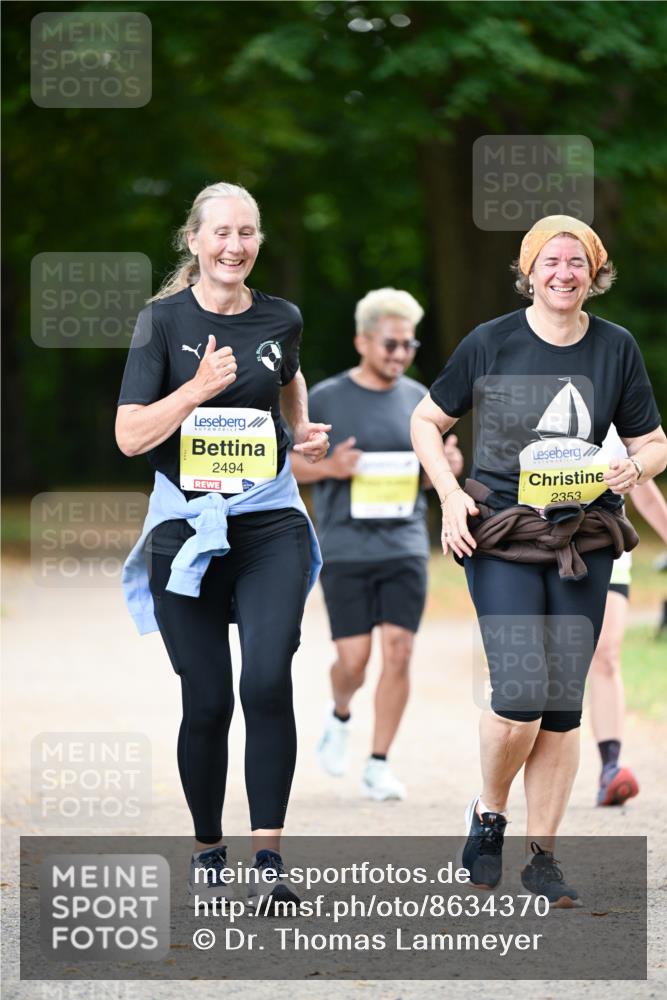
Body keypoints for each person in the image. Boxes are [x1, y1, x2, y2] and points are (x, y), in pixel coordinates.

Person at [410, 215, 666, 907]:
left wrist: (631, 467)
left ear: (593, 272)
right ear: (528, 272)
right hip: (501, 531)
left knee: (559, 705)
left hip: (582, 536)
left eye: (576, 262)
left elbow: (653, 443)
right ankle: (489, 812)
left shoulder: (615, 347)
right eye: (550, 261)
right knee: (520, 692)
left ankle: (542, 855)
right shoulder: (489, 341)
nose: (563, 273)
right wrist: (447, 495)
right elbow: (426, 421)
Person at [116, 182, 329, 908]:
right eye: (220, 233)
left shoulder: (282, 317)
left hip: (270, 522)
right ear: (194, 241)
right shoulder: (160, 322)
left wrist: (299, 430)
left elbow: (289, 378)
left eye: (246, 233)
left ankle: (268, 855)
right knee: (206, 700)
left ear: (258, 241)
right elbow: (130, 435)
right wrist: (196, 390)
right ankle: (209, 846)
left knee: (267, 680)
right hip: (184, 529)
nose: (234, 246)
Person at [290, 288, 463, 800]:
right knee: (354, 660)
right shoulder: (324, 397)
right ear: (362, 341)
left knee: (399, 650)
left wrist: (446, 471)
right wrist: (328, 467)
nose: (400, 354)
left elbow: (433, 471)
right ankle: (340, 713)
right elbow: (285, 466)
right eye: (391, 344)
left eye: (409, 345)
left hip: (405, 544)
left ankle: (379, 763)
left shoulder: (419, 400)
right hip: (345, 547)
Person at [590, 424, 667, 806]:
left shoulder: (616, 418)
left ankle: (610, 768)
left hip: (610, 547)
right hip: (545, 549)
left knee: (606, 655)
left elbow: (648, 498)